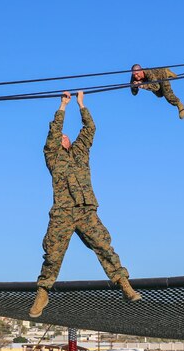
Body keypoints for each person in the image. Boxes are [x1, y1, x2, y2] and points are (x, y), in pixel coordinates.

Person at [29, 91, 142, 318]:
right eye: (59, 136)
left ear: (70, 142)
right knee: (53, 252)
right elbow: (53, 134)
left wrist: (81, 105)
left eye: (64, 136)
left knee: (103, 245)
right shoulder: (52, 155)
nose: (62, 137)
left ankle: (123, 284)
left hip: (85, 209)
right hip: (63, 211)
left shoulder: (80, 152)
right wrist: (63, 105)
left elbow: (90, 129)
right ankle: (43, 292)